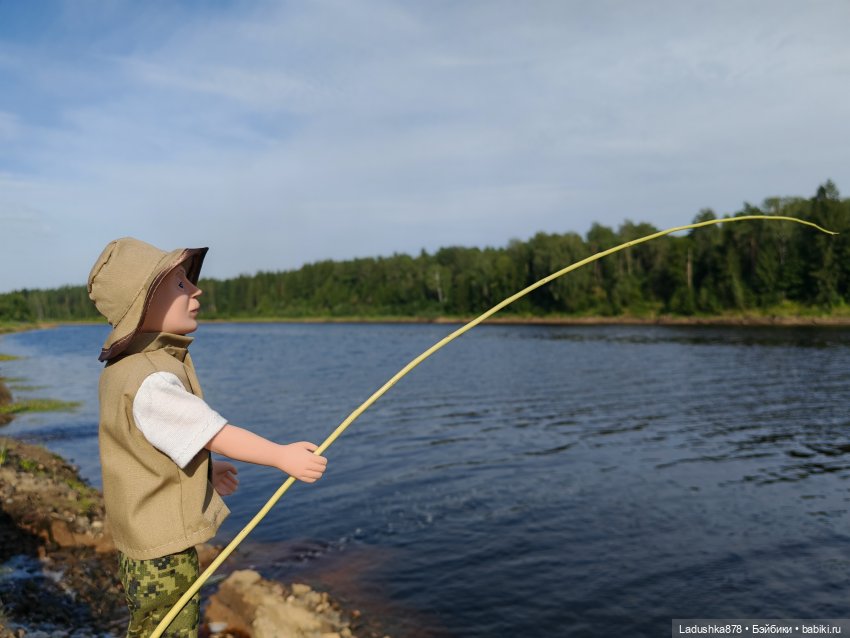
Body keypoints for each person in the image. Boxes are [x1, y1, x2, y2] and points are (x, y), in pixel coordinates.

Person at [87, 237, 328, 636]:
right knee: (169, 629)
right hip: (163, 554)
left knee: (151, 626)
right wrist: (281, 456)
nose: (196, 290)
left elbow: (144, 453)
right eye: (180, 284)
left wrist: (202, 476)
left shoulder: (122, 370)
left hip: (141, 543)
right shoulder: (152, 379)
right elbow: (213, 432)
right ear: (145, 303)